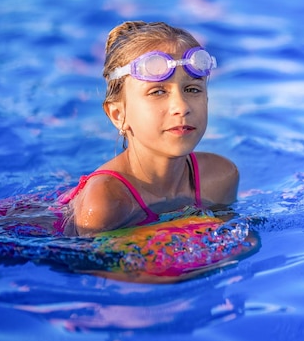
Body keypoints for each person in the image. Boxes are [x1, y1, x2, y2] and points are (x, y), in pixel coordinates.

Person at [58, 21, 239, 236]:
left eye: (192, 89)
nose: (181, 107)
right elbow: (90, 266)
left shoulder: (219, 178)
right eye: (158, 92)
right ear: (118, 115)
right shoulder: (106, 201)